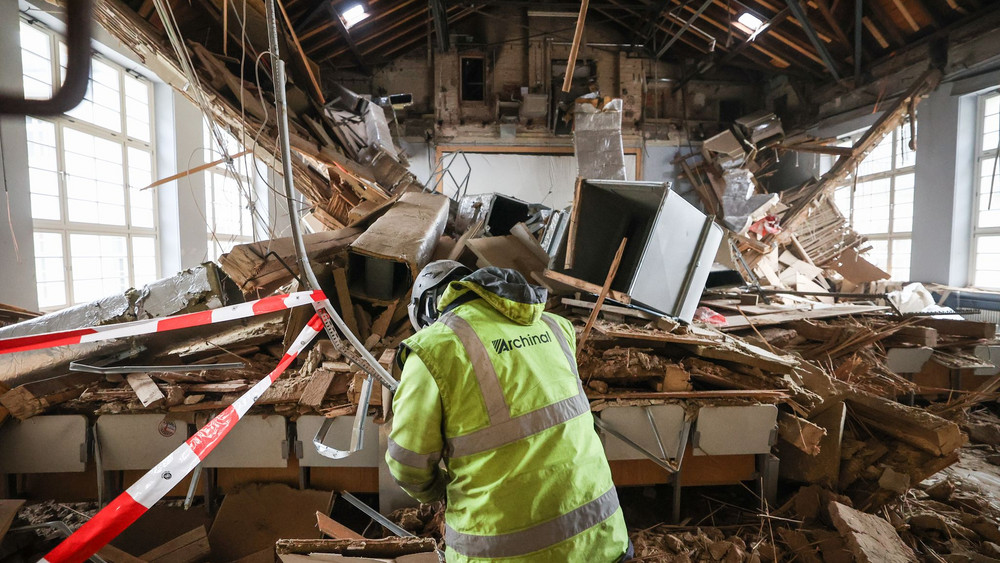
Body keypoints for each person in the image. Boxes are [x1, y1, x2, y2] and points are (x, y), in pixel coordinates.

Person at [386, 261, 632, 562]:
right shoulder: (556, 327)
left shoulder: (432, 348)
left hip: (505, 554)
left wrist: (440, 491)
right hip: (603, 541)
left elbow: (407, 464)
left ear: (425, 310)